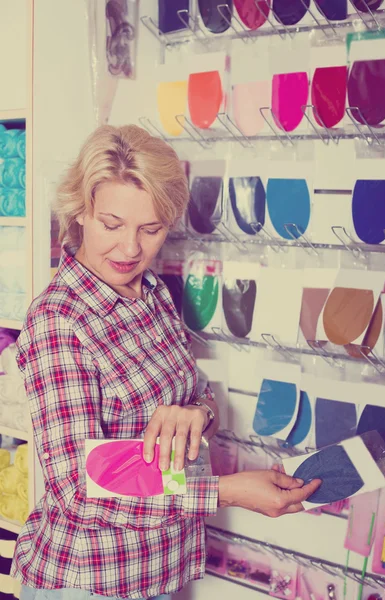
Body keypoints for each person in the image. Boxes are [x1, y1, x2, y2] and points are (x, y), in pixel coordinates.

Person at [12, 125, 321, 600]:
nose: (131, 249)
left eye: (150, 229)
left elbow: (197, 394)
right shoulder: (60, 319)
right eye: (111, 225)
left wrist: (198, 414)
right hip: (92, 581)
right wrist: (227, 491)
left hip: (156, 569)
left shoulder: (151, 292)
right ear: (80, 213)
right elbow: (79, 488)